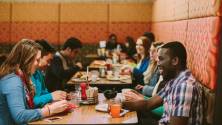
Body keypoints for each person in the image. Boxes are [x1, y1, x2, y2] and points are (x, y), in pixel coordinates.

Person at [123, 41, 204, 125]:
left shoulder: (184, 86)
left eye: (161, 59)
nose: (158, 63)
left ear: (175, 61)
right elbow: (148, 103)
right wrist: (121, 104)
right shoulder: (174, 80)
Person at [0, 39, 68, 125]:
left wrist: (46, 106)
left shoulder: (21, 76)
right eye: (37, 60)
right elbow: (20, 116)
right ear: (26, 60)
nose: (39, 64)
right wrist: (49, 110)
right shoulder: (13, 80)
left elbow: (28, 106)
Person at [31, 39, 67, 108]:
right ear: (39, 57)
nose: (49, 64)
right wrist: (51, 96)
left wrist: (58, 96)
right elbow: (30, 102)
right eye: (48, 60)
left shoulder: (38, 72)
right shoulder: (26, 75)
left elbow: (44, 92)